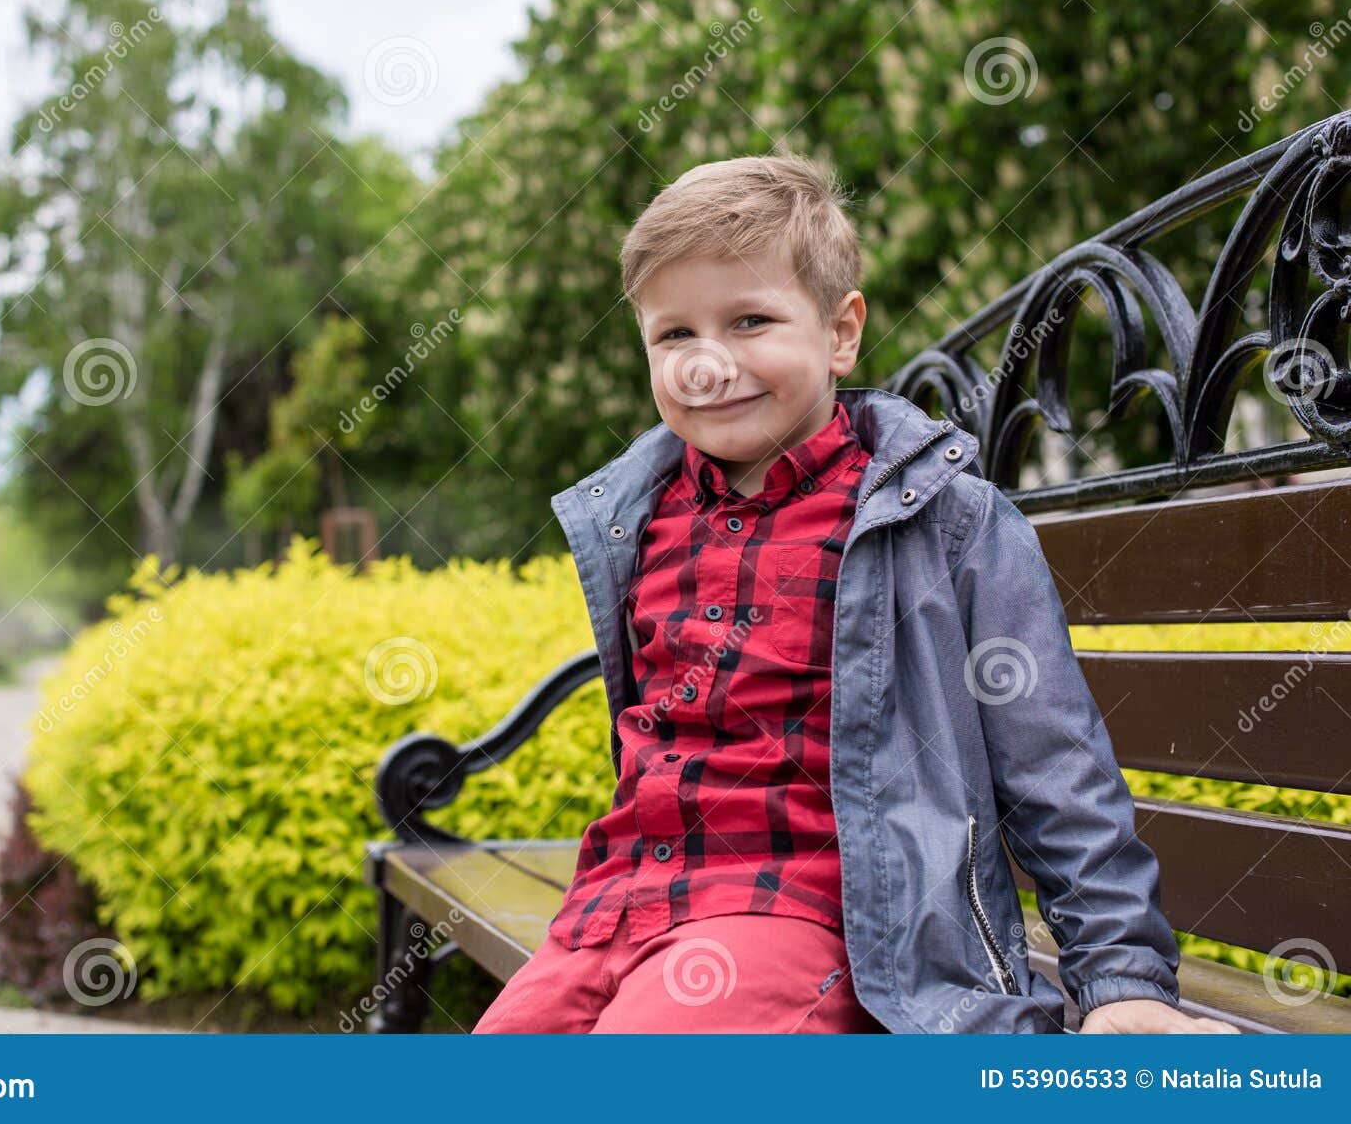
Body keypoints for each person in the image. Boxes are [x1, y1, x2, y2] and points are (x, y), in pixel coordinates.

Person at [472, 154, 1238, 1035]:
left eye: (751, 320)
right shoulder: (642, 518)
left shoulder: (942, 521)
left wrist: (1122, 977)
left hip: (812, 914)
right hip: (616, 909)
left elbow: (1053, 763)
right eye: (674, 335)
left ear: (841, 333)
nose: (708, 365)